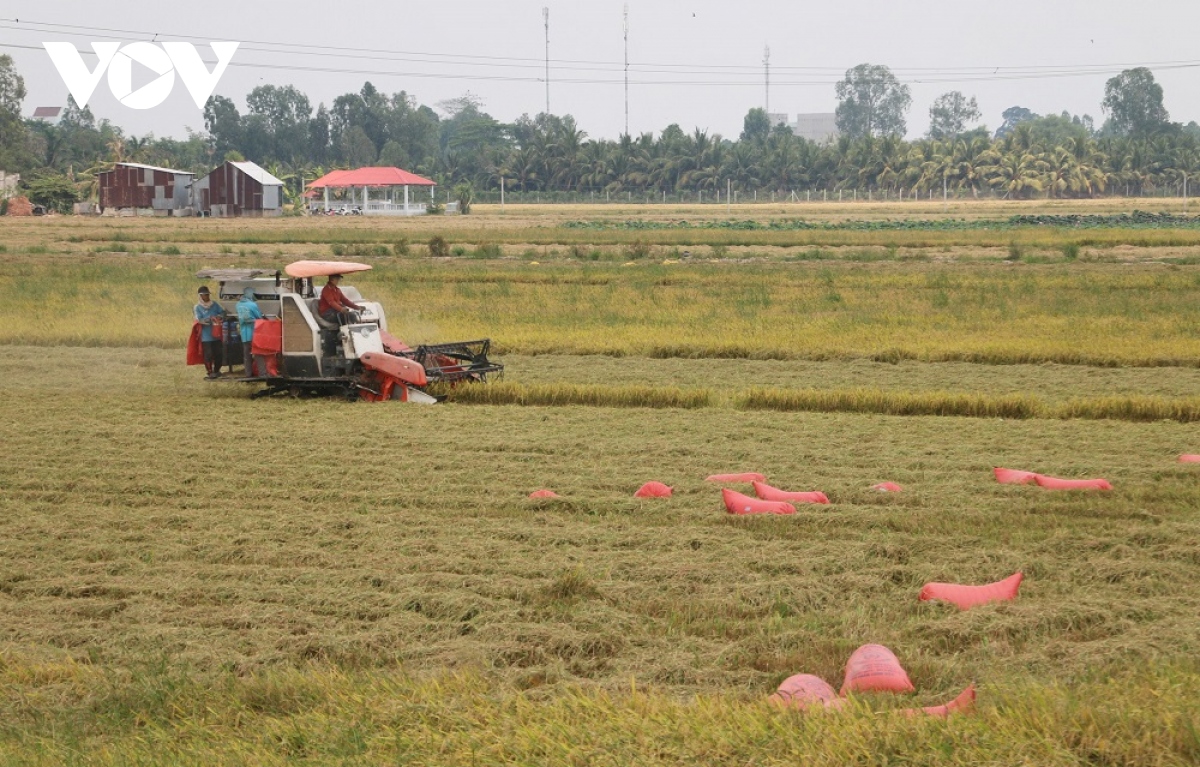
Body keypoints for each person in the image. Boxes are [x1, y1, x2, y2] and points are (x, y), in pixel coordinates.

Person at [193, 286, 226, 379]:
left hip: (216, 334)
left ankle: (217, 371)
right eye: (205, 295)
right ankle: (210, 372)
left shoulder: (214, 304)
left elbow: (223, 312)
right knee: (208, 354)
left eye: (207, 295)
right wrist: (209, 319)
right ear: (200, 296)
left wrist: (219, 317)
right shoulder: (197, 307)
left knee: (219, 353)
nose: (207, 297)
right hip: (206, 336)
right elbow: (198, 319)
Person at [236, 287, 264, 377]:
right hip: (254, 333)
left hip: (244, 334)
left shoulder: (238, 305)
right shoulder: (253, 305)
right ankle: (262, 373)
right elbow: (259, 317)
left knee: (247, 355)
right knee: (258, 354)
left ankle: (248, 374)